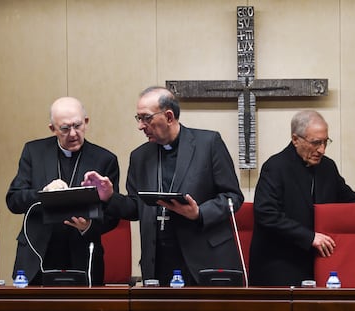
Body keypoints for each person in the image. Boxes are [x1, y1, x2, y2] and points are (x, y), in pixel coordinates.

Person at [82, 86, 244, 286]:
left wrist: (199, 213)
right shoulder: (139, 156)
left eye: (146, 118)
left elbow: (233, 197)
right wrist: (109, 196)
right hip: (159, 262)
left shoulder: (208, 143)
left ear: (169, 116)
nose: (141, 126)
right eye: (138, 118)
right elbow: (135, 208)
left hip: (204, 258)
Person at [249, 110, 355, 286]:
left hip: (316, 261)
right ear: (296, 139)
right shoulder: (275, 167)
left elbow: (349, 199)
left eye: (326, 142)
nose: (322, 150)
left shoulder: (327, 167)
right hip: (278, 262)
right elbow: (266, 214)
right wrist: (309, 237)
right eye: (316, 143)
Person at [6, 96, 120, 286]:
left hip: (83, 255)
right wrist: (43, 193)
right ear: (52, 128)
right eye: (65, 129)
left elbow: (112, 213)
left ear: (86, 122)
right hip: (36, 253)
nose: (73, 134)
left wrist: (88, 226)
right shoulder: (34, 152)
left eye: (78, 125)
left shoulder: (105, 159)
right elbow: (14, 200)